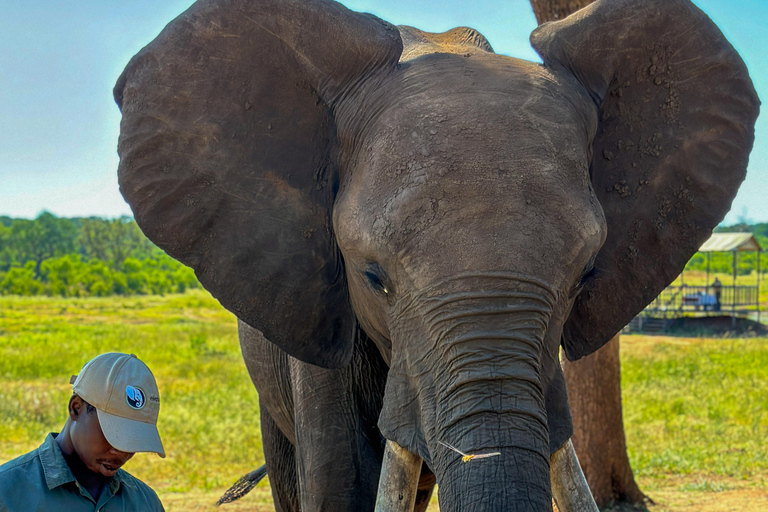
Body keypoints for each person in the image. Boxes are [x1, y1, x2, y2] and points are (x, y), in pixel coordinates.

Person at [0, 353, 166, 511]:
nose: (122, 451)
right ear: (76, 408)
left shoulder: (146, 503)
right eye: (113, 434)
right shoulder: (7, 495)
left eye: (134, 440)